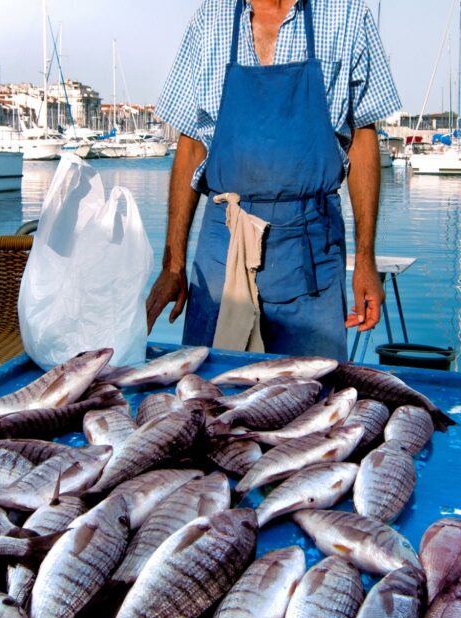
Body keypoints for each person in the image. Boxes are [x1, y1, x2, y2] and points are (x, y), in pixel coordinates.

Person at [147, 0, 401, 359]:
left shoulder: (348, 16)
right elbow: (190, 147)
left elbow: (362, 138)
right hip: (223, 244)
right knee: (210, 395)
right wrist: (173, 266)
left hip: (311, 248)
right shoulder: (210, 20)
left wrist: (365, 261)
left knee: (314, 394)